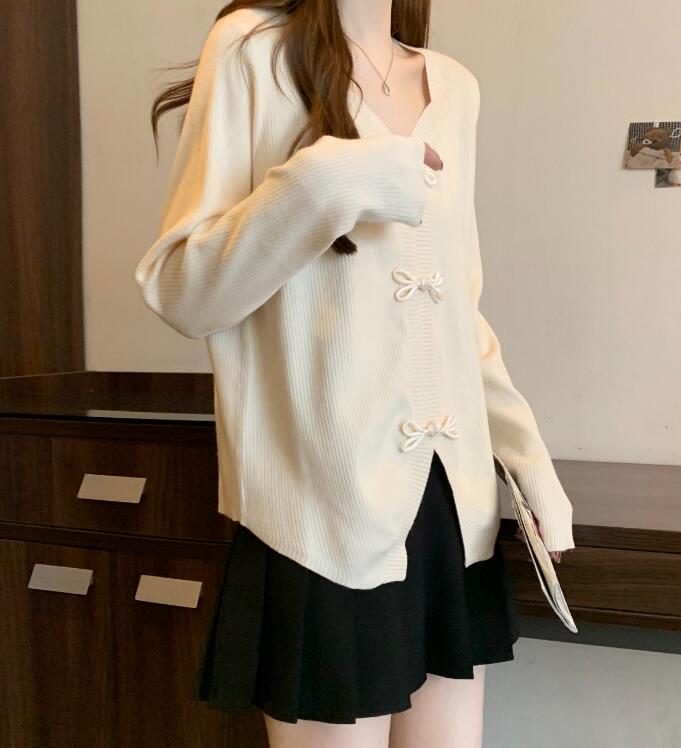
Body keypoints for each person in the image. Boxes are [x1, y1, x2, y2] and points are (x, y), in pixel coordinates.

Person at [134, 1, 575, 745]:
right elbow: (183, 291)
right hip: (322, 508)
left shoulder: (456, 87)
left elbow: (457, 313)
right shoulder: (250, 51)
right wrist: (320, 186)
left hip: (452, 505)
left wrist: (527, 458)